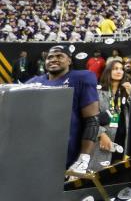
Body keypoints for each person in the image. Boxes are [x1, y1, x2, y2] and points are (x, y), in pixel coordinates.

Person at [28, 45, 100, 174]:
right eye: (50, 57)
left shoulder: (81, 78)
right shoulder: (33, 82)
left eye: (59, 56)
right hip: (35, 151)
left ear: (69, 61)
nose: (54, 59)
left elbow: (92, 121)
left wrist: (84, 157)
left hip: (65, 153)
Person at [93, 58, 131, 167]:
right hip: (104, 139)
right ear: (108, 71)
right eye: (115, 69)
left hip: (123, 139)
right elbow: (90, 117)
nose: (119, 71)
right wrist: (101, 134)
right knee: (100, 171)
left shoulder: (125, 91)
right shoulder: (98, 91)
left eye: (121, 69)